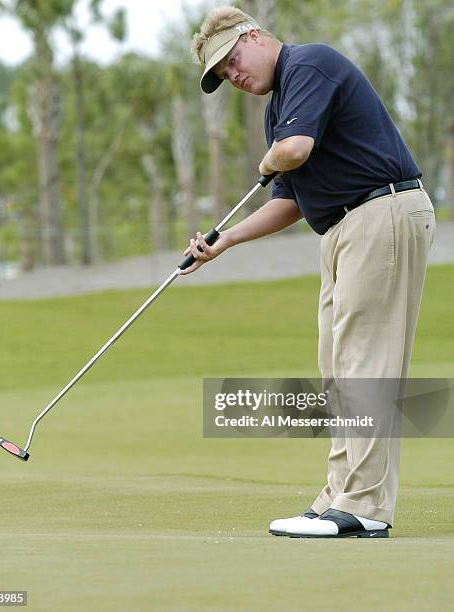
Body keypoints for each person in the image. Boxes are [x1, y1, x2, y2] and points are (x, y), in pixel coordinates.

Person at [183, 6, 435, 538]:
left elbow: (294, 153)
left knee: (367, 360)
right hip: (341, 228)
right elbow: (289, 201)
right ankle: (338, 495)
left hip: (381, 211)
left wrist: (269, 159)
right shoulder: (280, 111)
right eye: (224, 75)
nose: (234, 76)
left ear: (254, 36)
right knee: (337, 364)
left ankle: (365, 506)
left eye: (232, 61)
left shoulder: (310, 65)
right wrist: (223, 241)